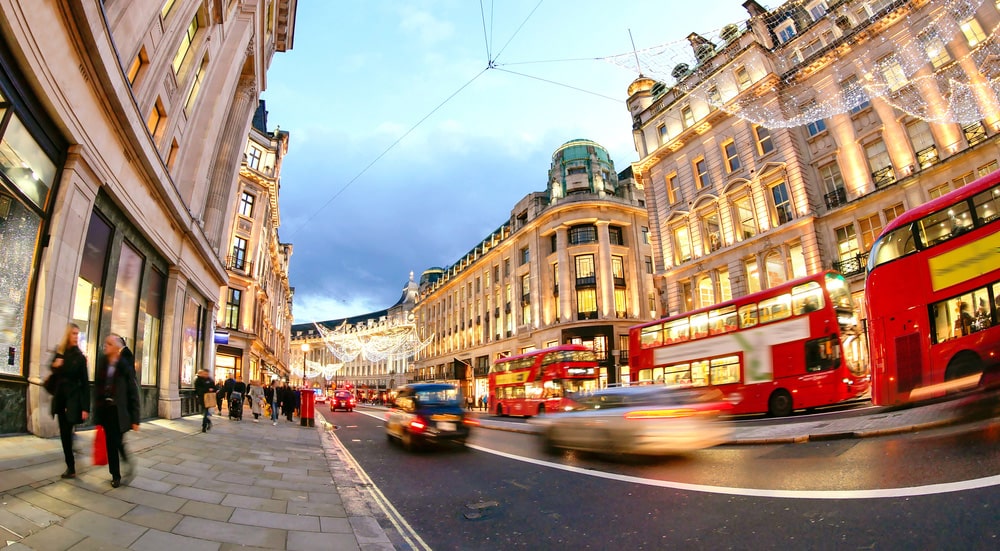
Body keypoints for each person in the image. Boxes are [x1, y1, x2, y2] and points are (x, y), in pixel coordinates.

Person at [94, 334, 140, 488]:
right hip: (106, 409)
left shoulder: (124, 366)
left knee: (116, 441)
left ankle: (126, 461)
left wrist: (135, 419)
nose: (105, 346)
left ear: (116, 348)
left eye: (108, 344)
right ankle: (116, 475)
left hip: (119, 410)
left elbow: (133, 392)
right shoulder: (103, 363)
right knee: (111, 443)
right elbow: (98, 387)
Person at [50, 323, 90, 479]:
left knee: (67, 433)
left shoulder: (79, 357)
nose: (76, 336)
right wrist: (56, 365)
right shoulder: (60, 352)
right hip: (60, 399)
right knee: (65, 435)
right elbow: (52, 371)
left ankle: (71, 467)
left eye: (77, 333)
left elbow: (85, 383)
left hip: (73, 400)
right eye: (73, 333)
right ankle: (71, 464)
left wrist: (85, 407)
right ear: (67, 335)